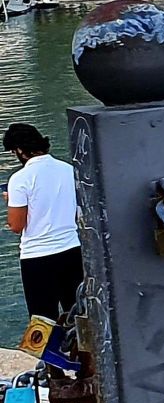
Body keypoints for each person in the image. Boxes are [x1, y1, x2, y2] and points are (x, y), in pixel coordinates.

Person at [5, 124, 81, 323]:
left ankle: (48, 356)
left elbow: (16, 225)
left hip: (37, 258)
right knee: (79, 317)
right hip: (72, 251)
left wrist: (12, 203)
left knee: (43, 322)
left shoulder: (19, 179)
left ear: (20, 150)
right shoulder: (68, 170)